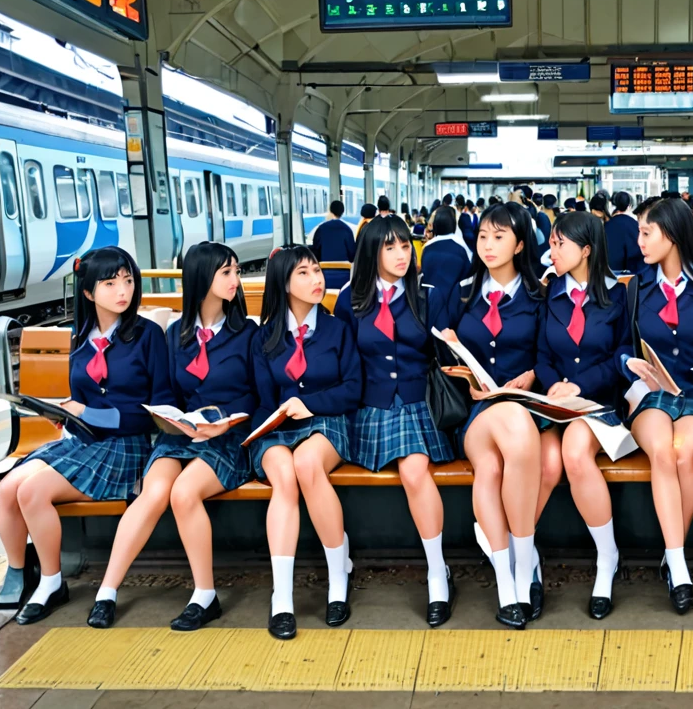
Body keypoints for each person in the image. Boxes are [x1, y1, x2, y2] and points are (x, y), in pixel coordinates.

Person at [0, 246, 170, 624]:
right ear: (88, 292)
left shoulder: (147, 335)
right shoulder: (82, 336)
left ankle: (52, 581)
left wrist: (87, 412)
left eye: (127, 280)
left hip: (125, 448)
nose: (123, 290)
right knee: (8, 490)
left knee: (31, 491)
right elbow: (85, 396)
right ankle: (18, 571)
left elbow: (157, 410)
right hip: (85, 443)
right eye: (110, 283)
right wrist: (65, 411)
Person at [88, 242, 255, 631]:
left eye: (236, 272)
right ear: (202, 278)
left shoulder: (246, 333)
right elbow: (164, 393)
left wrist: (225, 420)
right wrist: (172, 419)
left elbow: (256, 394)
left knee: (183, 493)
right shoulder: (175, 334)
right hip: (181, 435)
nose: (236, 280)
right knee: (154, 491)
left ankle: (205, 594)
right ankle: (107, 592)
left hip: (228, 437)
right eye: (226, 272)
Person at [336, 217, 459, 626]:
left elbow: (447, 357)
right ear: (372, 253)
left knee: (413, 468)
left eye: (406, 246)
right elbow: (344, 364)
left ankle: (437, 572)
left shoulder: (428, 295)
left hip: (418, 403)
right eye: (390, 248)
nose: (402, 255)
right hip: (368, 408)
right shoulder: (350, 300)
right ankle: (344, 565)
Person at [437, 202, 546, 630]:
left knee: (491, 467)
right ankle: (521, 567)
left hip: (525, 403)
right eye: (482, 235)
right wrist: (458, 367)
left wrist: (532, 375)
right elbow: (437, 352)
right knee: (511, 433)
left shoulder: (540, 295)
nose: (488, 245)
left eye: (499, 237)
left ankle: (511, 576)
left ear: (520, 244)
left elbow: (551, 354)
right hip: (475, 410)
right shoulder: (460, 292)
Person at [622, 198, 693, 615]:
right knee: (663, 452)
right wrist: (629, 364)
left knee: (685, 454)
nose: (640, 241)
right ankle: (680, 567)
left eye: (647, 232)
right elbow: (619, 348)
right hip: (650, 395)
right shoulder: (635, 288)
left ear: (671, 233)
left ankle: (671, 555)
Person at [250, 245, 361, 639]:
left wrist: (308, 404)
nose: (317, 280)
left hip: (327, 422)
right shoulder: (265, 337)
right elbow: (263, 401)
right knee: (283, 472)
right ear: (282, 282)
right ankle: (282, 598)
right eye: (304, 273)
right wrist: (273, 419)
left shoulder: (337, 329)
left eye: (317, 270)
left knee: (307, 465)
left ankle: (337, 580)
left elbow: (353, 389)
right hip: (277, 430)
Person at [534, 213, 631, 619]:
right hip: (554, 403)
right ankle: (525, 556)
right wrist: (555, 383)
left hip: (599, 404)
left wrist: (580, 386)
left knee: (574, 452)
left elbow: (623, 358)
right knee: (545, 462)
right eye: (551, 244)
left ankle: (607, 557)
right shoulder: (549, 293)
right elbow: (540, 355)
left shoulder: (617, 295)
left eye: (559, 245)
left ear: (586, 250)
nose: (551, 252)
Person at [421, 207, 472, 290]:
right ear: (454, 224)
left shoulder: (427, 247)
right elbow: (468, 275)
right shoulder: (462, 246)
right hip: (456, 297)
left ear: (435, 225)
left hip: (431, 298)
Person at [310, 200, 357, 289]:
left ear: (330, 211)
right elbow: (352, 256)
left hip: (324, 274)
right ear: (342, 212)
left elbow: (315, 252)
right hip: (344, 276)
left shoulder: (321, 228)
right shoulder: (347, 230)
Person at [605, 190, 644, 275]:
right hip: (632, 273)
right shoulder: (635, 225)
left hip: (609, 273)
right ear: (629, 206)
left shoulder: (606, 225)